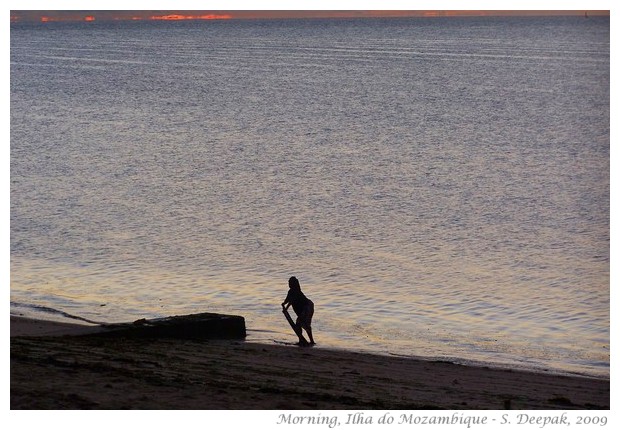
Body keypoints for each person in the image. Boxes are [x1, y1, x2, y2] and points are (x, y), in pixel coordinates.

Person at [281, 276, 315, 345]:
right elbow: (287, 300)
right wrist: (284, 303)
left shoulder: (297, 292)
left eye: (290, 283)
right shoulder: (290, 291)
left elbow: (291, 301)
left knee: (303, 323)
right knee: (299, 324)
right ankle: (301, 340)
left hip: (307, 307)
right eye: (289, 282)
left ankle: (311, 341)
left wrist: (286, 308)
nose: (289, 284)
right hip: (303, 309)